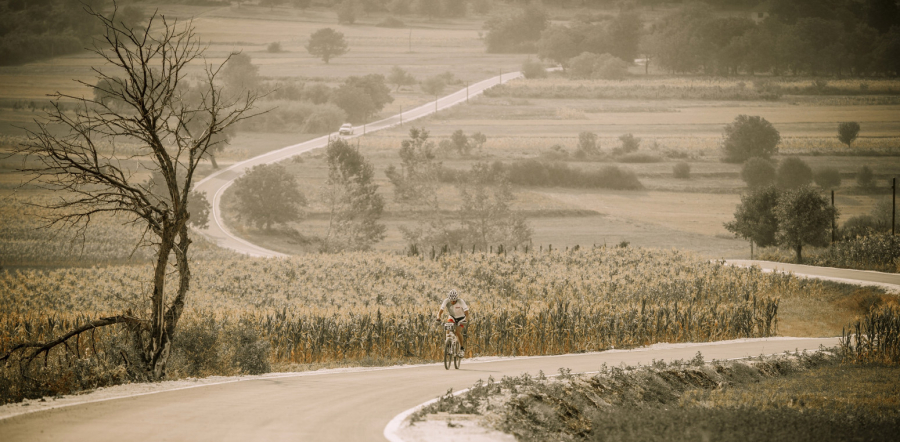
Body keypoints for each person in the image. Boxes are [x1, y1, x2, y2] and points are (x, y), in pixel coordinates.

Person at [437, 289, 469, 357]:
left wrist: (465, 320)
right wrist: (438, 318)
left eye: (454, 301)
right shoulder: (446, 301)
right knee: (448, 329)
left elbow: (467, 314)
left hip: (461, 318)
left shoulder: (461, 301)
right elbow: (440, 311)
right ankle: (448, 344)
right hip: (452, 317)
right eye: (451, 301)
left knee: (457, 332)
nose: (452, 302)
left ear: (456, 299)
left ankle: (462, 348)